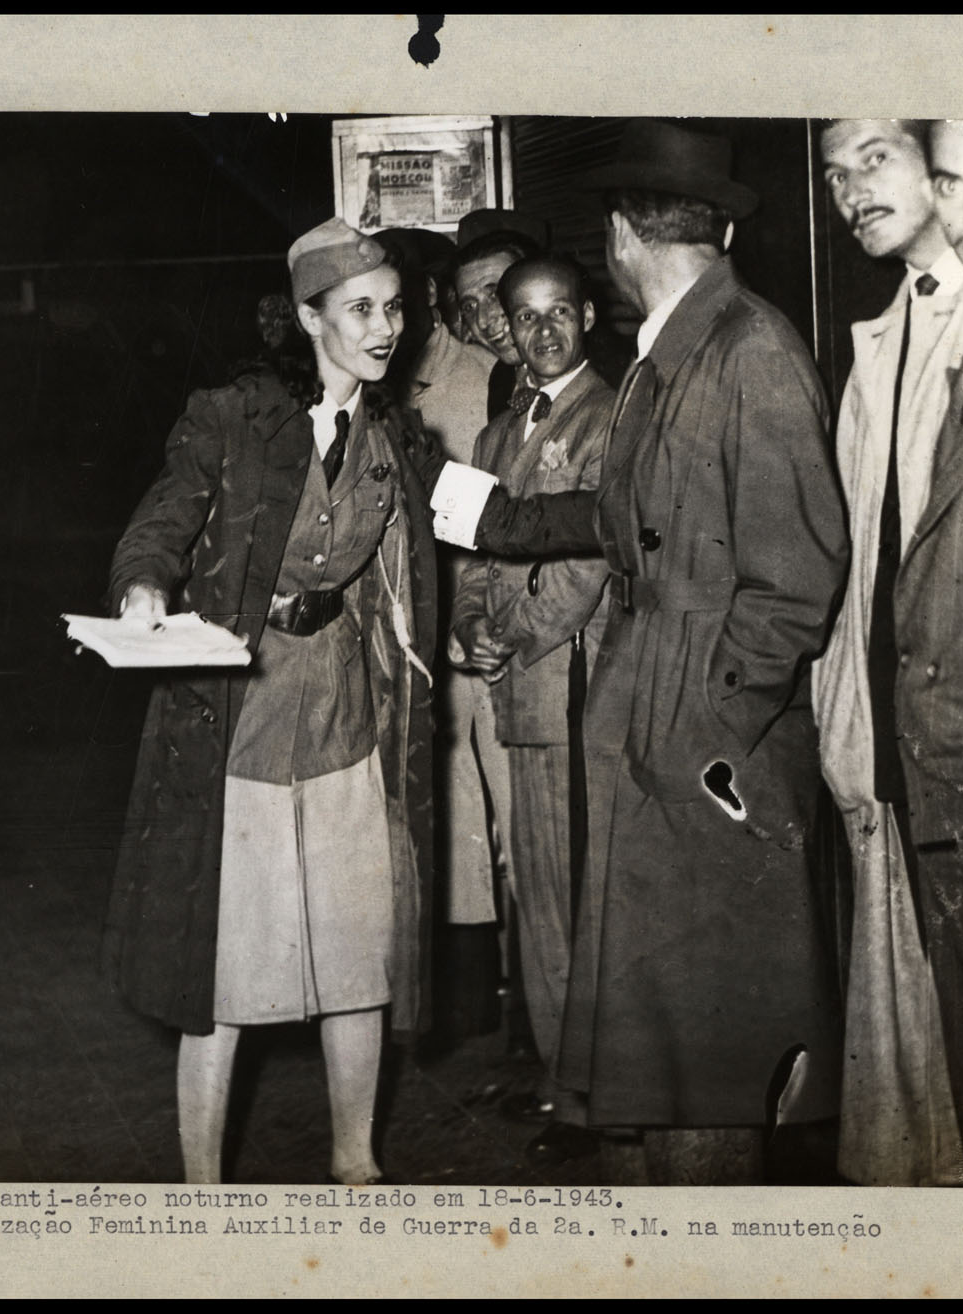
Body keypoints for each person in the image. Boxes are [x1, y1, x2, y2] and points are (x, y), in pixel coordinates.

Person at [433, 120, 851, 1183]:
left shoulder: (746, 350)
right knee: (654, 1055)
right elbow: (627, 516)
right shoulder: (677, 352)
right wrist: (500, 523)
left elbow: (796, 581)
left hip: (703, 754)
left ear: (620, 234)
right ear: (717, 228)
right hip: (653, 723)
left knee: (703, 1058)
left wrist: (704, 736)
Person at [104, 219, 439, 1186]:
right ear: (306, 318)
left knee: (357, 951)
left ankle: (355, 1162)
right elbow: (161, 519)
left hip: (344, 714)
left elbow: (474, 519)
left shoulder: (397, 435)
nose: (385, 328)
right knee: (223, 965)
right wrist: (142, 587)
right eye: (360, 310)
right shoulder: (233, 414)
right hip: (239, 720)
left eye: (393, 308)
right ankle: (202, 1186)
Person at [813, 119, 963, 1185]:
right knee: (922, 1006)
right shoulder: (877, 339)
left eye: (871, 157)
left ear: (945, 166)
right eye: (833, 174)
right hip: (888, 718)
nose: (847, 191)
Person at [447, 255, 614, 1159]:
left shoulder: (610, 416)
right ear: (504, 328)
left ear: (586, 315)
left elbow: (587, 564)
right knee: (537, 897)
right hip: (514, 690)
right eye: (524, 317)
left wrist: (511, 637)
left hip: (569, 688)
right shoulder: (493, 434)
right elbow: (472, 552)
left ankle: (590, 1100)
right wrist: (469, 625)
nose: (542, 331)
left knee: (574, 896)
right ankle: (561, 1082)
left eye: (558, 313)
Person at [379, 225, 512, 1033]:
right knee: (451, 819)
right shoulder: (372, 391)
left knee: (508, 823)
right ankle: (471, 992)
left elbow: (491, 513)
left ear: (425, 298)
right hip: (415, 645)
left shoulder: (484, 377)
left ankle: (519, 1000)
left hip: (481, 627)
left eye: (395, 301)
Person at [450, 226, 544, 420]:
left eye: (496, 294)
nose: (483, 320)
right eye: (469, 306)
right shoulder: (502, 378)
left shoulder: (598, 375)